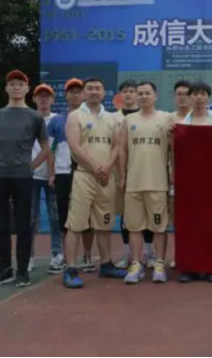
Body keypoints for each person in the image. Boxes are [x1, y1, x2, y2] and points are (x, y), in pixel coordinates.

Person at [0, 70, 50, 288]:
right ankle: (4, 269)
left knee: (24, 224)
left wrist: (31, 166)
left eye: (20, 84)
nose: (16, 87)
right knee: (0, 224)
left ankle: (22, 271)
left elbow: (46, 147)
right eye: (12, 84)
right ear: (6, 88)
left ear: (27, 89)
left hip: (23, 177)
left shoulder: (34, 117)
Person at [62, 77, 128, 289]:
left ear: (104, 92)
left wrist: (107, 167)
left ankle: (106, 264)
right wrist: (96, 168)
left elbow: (117, 146)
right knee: (75, 225)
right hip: (84, 176)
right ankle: (70, 269)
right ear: (84, 93)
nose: (94, 91)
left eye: (98, 88)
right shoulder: (75, 116)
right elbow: (74, 147)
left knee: (104, 224)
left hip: (106, 177)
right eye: (89, 88)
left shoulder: (111, 118)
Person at [120, 82, 174, 284]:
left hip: (158, 182)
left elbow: (173, 148)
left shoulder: (166, 118)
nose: (143, 96)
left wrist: (172, 176)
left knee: (159, 227)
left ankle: (159, 263)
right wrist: (123, 176)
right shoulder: (128, 120)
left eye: (147, 93)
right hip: (134, 182)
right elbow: (122, 149)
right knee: (134, 227)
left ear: (155, 96)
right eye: (140, 93)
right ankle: (136, 264)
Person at [178, 81, 212, 283]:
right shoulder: (182, 123)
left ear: (208, 97)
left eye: (203, 94)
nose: (199, 97)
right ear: (190, 97)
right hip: (188, 179)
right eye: (195, 94)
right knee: (189, 224)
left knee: (211, 224)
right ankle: (189, 268)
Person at [113, 81, 156, 271]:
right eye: (126, 91)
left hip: (148, 173)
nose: (129, 94)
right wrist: (121, 174)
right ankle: (127, 254)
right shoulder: (113, 118)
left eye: (133, 91)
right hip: (124, 174)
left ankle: (149, 253)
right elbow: (117, 148)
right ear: (120, 95)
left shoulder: (150, 117)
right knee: (126, 216)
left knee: (149, 214)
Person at [46, 78, 84, 275]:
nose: (75, 95)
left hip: (86, 174)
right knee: (64, 217)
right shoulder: (56, 121)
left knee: (87, 217)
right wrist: (51, 173)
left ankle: (87, 256)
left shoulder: (90, 118)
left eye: (78, 91)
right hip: (62, 174)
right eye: (72, 91)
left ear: (83, 95)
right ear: (66, 95)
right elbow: (50, 150)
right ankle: (67, 257)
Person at [29, 84, 57, 274]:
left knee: (55, 217)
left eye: (47, 96)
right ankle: (28, 255)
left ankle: (57, 254)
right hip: (29, 176)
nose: (43, 99)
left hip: (52, 177)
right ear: (34, 99)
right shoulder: (27, 118)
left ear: (53, 99)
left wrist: (55, 173)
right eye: (40, 96)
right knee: (30, 218)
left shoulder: (58, 120)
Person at [167, 80, 192, 271]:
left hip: (197, 177)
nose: (182, 98)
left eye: (186, 94)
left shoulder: (203, 118)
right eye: (179, 94)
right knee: (178, 219)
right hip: (175, 176)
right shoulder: (168, 119)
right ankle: (180, 255)